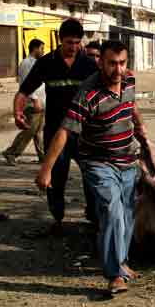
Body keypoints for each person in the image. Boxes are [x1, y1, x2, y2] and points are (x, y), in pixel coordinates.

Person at [36, 40, 147, 293]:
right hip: (99, 162)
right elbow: (65, 131)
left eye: (122, 63)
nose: (117, 70)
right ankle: (114, 274)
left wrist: (141, 131)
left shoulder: (129, 80)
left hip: (127, 160)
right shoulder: (88, 93)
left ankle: (122, 261)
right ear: (100, 62)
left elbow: (131, 105)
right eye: (111, 64)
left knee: (127, 214)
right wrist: (46, 168)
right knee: (111, 211)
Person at [14, 18, 98, 233]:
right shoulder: (47, 62)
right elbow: (23, 92)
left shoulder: (89, 64)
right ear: (60, 40)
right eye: (69, 42)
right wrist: (18, 112)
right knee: (55, 178)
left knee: (93, 176)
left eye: (77, 42)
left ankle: (94, 218)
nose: (73, 47)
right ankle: (57, 218)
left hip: (84, 133)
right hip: (55, 131)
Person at [3, 39, 46, 166]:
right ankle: (11, 152)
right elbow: (26, 84)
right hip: (32, 102)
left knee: (37, 131)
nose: (43, 51)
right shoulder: (27, 63)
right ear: (35, 48)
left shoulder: (36, 62)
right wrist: (35, 99)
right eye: (41, 48)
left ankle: (43, 156)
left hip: (40, 101)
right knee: (30, 130)